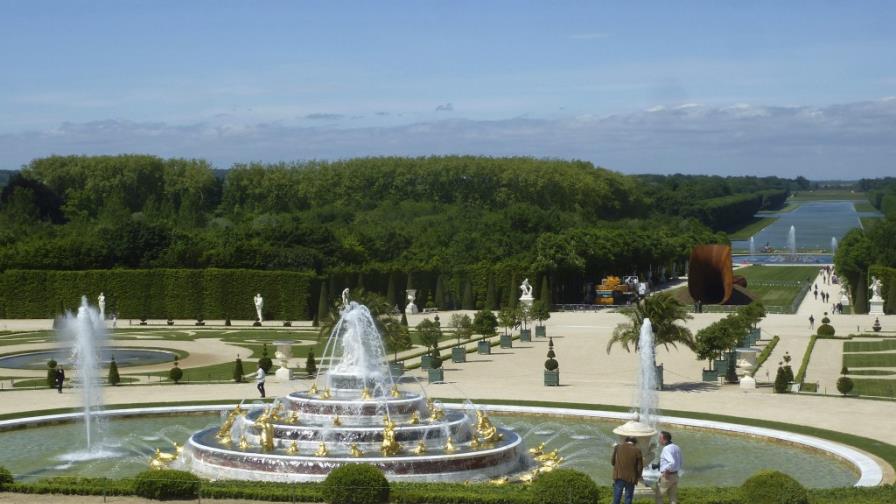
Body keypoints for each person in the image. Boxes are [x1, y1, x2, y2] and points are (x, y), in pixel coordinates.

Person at [611, 436, 643, 504]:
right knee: (628, 498)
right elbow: (640, 467)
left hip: (619, 476)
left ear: (626, 440)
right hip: (631, 478)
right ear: (634, 442)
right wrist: (638, 476)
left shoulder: (618, 447)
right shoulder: (637, 450)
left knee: (617, 497)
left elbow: (612, 462)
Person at [656, 431, 682, 504]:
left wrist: (666, 471)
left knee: (659, 496)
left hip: (667, 476)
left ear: (663, 438)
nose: (658, 440)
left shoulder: (666, 449)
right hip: (675, 476)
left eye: (659, 438)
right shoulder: (677, 447)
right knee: (673, 497)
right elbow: (680, 462)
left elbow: (672, 462)